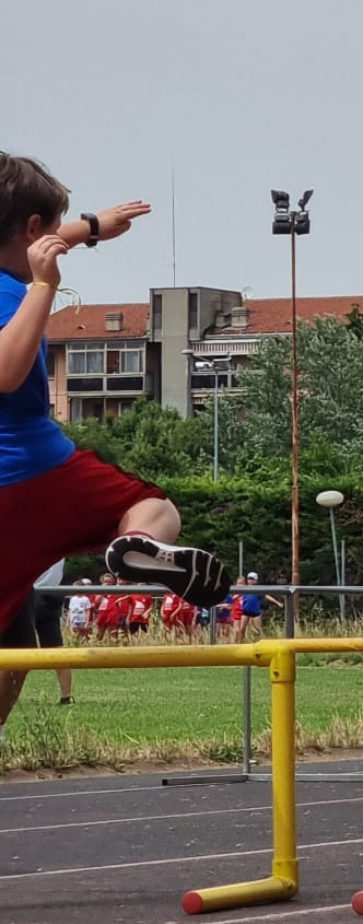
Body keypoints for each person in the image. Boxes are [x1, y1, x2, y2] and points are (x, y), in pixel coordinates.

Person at [0, 154, 231, 657]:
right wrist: (44, 286)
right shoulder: (12, 293)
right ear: (33, 229)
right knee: (149, 506)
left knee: (13, 641)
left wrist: (91, 227)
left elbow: (33, 242)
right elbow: (4, 372)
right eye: (53, 232)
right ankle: (141, 544)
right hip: (32, 469)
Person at [0, 561, 73, 745]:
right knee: (45, 648)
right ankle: (66, 695)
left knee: (23, 651)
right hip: (36, 588)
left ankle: (66, 695)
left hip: (24, 586)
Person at [234, 572, 282, 642]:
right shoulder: (245, 588)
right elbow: (237, 595)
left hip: (255, 612)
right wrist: (231, 600)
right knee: (242, 628)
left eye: (252, 579)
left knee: (258, 629)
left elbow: (267, 596)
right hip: (246, 611)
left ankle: (263, 642)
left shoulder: (258, 589)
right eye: (249, 579)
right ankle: (241, 642)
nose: (250, 580)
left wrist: (277, 603)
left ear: (256, 580)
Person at [92, 573, 122, 644]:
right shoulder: (98, 592)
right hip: (102, 615)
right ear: (102, 582)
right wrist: (102, 592)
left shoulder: (116, 591)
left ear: (112, 583)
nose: (107, 584)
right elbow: (95, 603)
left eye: (109, 582)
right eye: (105, 582)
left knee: (113, 635)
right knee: (99, 635)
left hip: (112, 616)